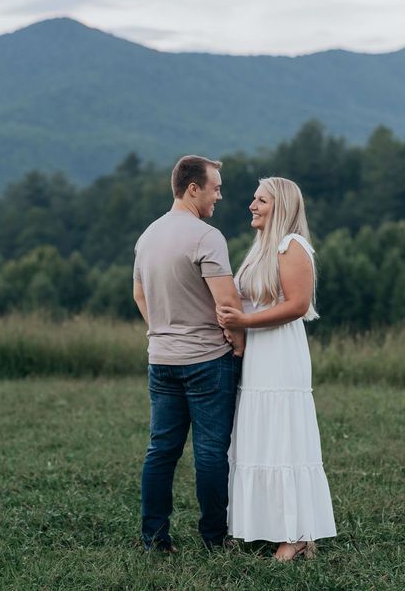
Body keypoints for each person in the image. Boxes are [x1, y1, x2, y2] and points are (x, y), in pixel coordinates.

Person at [217, 177, 336, 561]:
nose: (252, 205)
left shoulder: (292, 246)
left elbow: (298, 305)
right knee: (258, 436)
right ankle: (262, 526)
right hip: (257, 355)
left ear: (280, 205)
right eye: (253, 199)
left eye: (261, 200)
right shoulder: (260, 248)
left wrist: (243, 323)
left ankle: (297, 534)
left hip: (280, 354)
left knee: (283, 437)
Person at [133, 155, 245, 552]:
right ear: (193, 188)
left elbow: (139, 294)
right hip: (206, 360)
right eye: (215, 187)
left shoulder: (147, 236)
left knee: (161, 450)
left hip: (161, 359)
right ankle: (214, 540)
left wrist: (162, 328)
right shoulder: (206, 236)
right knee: (212, 453)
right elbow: (229, 305)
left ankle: (154, 540)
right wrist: (238, 349)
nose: (220, 195)